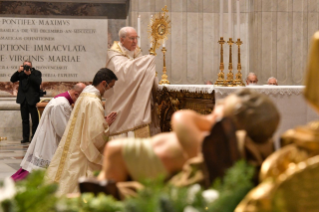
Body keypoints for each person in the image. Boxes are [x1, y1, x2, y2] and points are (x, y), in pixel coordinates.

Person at [97, 89, 280, 183]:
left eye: (222, 105)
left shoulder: (204, 138)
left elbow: (179, 118)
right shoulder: (206, 135)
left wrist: (205, 121)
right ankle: (98, 190)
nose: (218, 105)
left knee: (114, 150)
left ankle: (99, 197)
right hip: (154, 156)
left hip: (154, 161)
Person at [45, 68, 118, 196]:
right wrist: (106, 125)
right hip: (85, 151)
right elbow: (96, 135)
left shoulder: (84, 96)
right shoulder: (94, 101)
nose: (109, 91)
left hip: (76, 144)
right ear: (103, 83)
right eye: (110, 87)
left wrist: (102, 121)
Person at [11, 83, 86, 181]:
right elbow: (63, 130)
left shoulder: (61, 100)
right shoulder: (62, 104)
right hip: (51, 141)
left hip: (48, 136)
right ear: (76, 94)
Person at [104, 26, 160, 138]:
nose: (135, 41)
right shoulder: (113, 55)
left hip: (136, 101)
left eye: (136, 38)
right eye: (131, 38)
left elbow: (140, 72)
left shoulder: (137, 53)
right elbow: (122, 73)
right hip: (120, 101)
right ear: (122, 40)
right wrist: (147, 61)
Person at [10, 60, 42, 143]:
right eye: (25, 66)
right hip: (23, 100)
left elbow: (38, 82)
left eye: (28, 66)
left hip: (33, 100)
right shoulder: (21, 74)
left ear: (31, 66)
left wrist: (30, 74)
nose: (27, 68)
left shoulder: (36, 73)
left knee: (35, 120)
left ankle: (34, 138)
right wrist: (18, 71)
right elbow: (12, 79)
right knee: (25, 120)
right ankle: (25, 138)